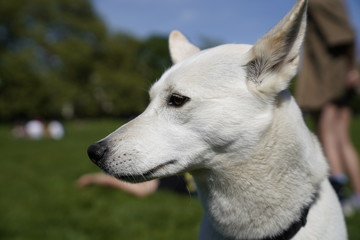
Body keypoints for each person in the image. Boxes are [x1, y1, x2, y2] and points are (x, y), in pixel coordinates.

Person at [295, 0, 360, 215]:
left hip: (327, 74)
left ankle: (339, 196)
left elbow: (342, 34)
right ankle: (358, 196)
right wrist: (352, 68)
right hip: (341, 71)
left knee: (328, 135)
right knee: (341, 138)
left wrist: (351, 68)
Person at [76, 172, 196, 197]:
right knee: (140, 190)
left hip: (169, 179)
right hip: (165, 177)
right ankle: (92, 178)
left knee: (140, 189)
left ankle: (93, 178)